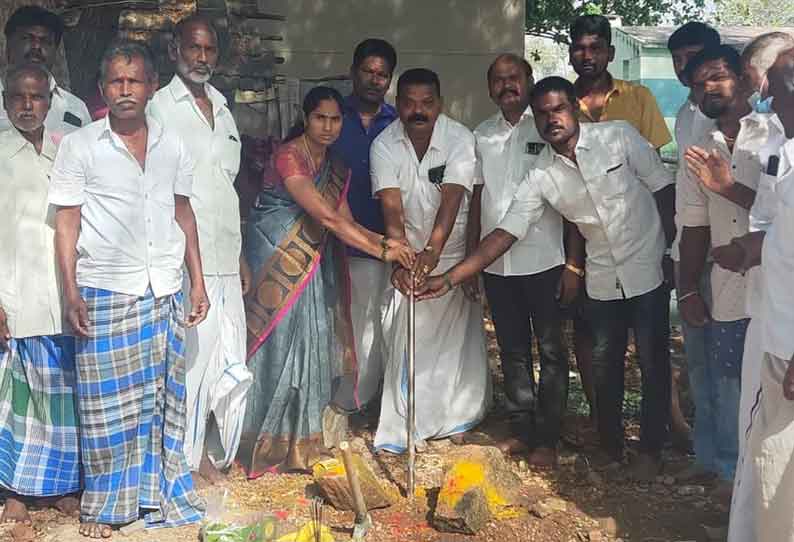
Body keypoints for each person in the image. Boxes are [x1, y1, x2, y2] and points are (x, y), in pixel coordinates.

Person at [418, 76, 676, 481]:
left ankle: (651, 449)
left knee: (652, 360)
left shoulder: (619, 137)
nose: (551, 118)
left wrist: (671, 252)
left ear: (574, 107)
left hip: (648, 264)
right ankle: (610, 447)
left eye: (557, 108)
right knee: (605, 364)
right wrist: (449, 278)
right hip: (604, 274)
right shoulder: (541, 174)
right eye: (542, 113)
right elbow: (504, 233)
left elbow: (663, 187)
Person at [49, 40, 206, 537]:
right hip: (106, 291)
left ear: (150, 87)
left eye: (133, 80)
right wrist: (70, 292)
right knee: (105, 408)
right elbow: (66, 225)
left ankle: (158, 498)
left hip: (164, 289)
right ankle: (105, 507)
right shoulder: (80, 146)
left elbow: (183, 213)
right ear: (102, 89)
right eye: (116, 81)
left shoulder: (172, 143)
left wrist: (197, 279)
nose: (124, 90)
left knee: (162, 404)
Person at [238, 86, 413, 476]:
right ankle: (260, 439)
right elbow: (328, 219)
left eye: (335, 119)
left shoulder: (337, 166)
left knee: (313, 339)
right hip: (276, 262)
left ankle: (302, 442)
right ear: (306, 116)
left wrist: (387, 243)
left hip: (311, 265)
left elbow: (345, 219)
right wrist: (386, 249)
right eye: (320, 118)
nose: (328, 126)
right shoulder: (288, 156)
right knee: (279, 345)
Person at [149, 14, 252, 488]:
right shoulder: (159, 110)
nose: (202, 58)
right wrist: (193, 275)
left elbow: (225, 191)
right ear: (175, 50)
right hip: (187, 263)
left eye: (210, 50)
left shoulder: (224, 109)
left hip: (227, 257)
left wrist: (241, 257)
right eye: (194, 48)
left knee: (228, 360)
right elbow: (164, 197)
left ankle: (213, 451)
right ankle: (184, 462)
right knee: (191, 365)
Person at [467, 53, 578, 465]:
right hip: (497, 266)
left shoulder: (548, 127)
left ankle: (548, 437)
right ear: (490, 88)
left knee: (551, 351)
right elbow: (476, 198)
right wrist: (470, 262)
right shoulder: (481, 134)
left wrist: (573, 264)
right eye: (498, 79)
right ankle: (521, 429)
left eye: (515, 77)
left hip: (546, 260)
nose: (507, 85)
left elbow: (571, 203)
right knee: (512, 349)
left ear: (529, 80)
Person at [371, 68, 490, 452]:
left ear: (440, 104)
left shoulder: (460, 138)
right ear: (397, 104)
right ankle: (405, 424)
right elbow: (391, 208)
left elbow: (454, 198)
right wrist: (400, 261)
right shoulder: (384, 145)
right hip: (407, 254)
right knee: (407, 334)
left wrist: (436, 254)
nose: (417, 111)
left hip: (450, 251)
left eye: (427, 103)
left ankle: (457, 417)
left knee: (458, 344)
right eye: (409, 103)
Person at [567, 14, 673, 428]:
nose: (587, 55)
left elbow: (658, 175)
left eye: (596, 47)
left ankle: (661, 429)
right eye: (579, 47)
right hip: (583, 240)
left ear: (610, 52)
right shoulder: (560, 104)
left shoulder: (637, 98)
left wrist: (667, 245)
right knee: (589, 337)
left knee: (650, 345)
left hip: (639, 241)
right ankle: (602, 421)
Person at [678, 45, 771, 504]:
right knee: (729, 381)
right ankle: (731, 482)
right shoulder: (698, 150)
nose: (707, 89)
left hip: (778, 288)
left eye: (716, 76)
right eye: (698, 84)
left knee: (773, 384)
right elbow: (693, 225)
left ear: (743, 77)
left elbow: (786, 217)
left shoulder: (775, 136)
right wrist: (687, 290)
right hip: (728, 291)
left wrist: (728, 187)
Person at [0, 64, 80, 526]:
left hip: (60, 290)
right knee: (17, 401)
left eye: (36, 98)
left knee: (62, 395)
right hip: (14, 294)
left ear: (50, 102)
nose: (27, 106)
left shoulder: (65, 151)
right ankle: (15, 491)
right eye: (18, 98)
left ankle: (61, 487)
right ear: (6, 100)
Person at [737, 47, 794, 542]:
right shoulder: (789, 150)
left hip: (788, 348)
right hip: (775, 331)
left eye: (771, 83)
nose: (764, 94)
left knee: (778, 469)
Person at [330, 38, 399, 408]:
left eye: (382, 75)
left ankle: (380, 397)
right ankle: (352, 399)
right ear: (354, 72)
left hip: (388, 238)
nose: (374, 80)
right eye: (368, 72)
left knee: (382, 321)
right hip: (338, 239)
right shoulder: (332, 115)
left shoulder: (397, 120)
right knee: (350, 323)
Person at [666, 22, 721, 462]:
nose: (686, 68)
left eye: (695, 58)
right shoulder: (686, 115)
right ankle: (709, 458)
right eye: (679, 60)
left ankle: (729, 465)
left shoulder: (735, 117)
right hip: (690, 251)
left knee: (729, 365)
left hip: (727, 257)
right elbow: (688, 201)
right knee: (699, 361)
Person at [0, 6, 91, 135]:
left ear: (55, 50)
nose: (36, 46)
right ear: (8, 45)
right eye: (27, 38)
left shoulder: (75, 108)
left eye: (45, 41)